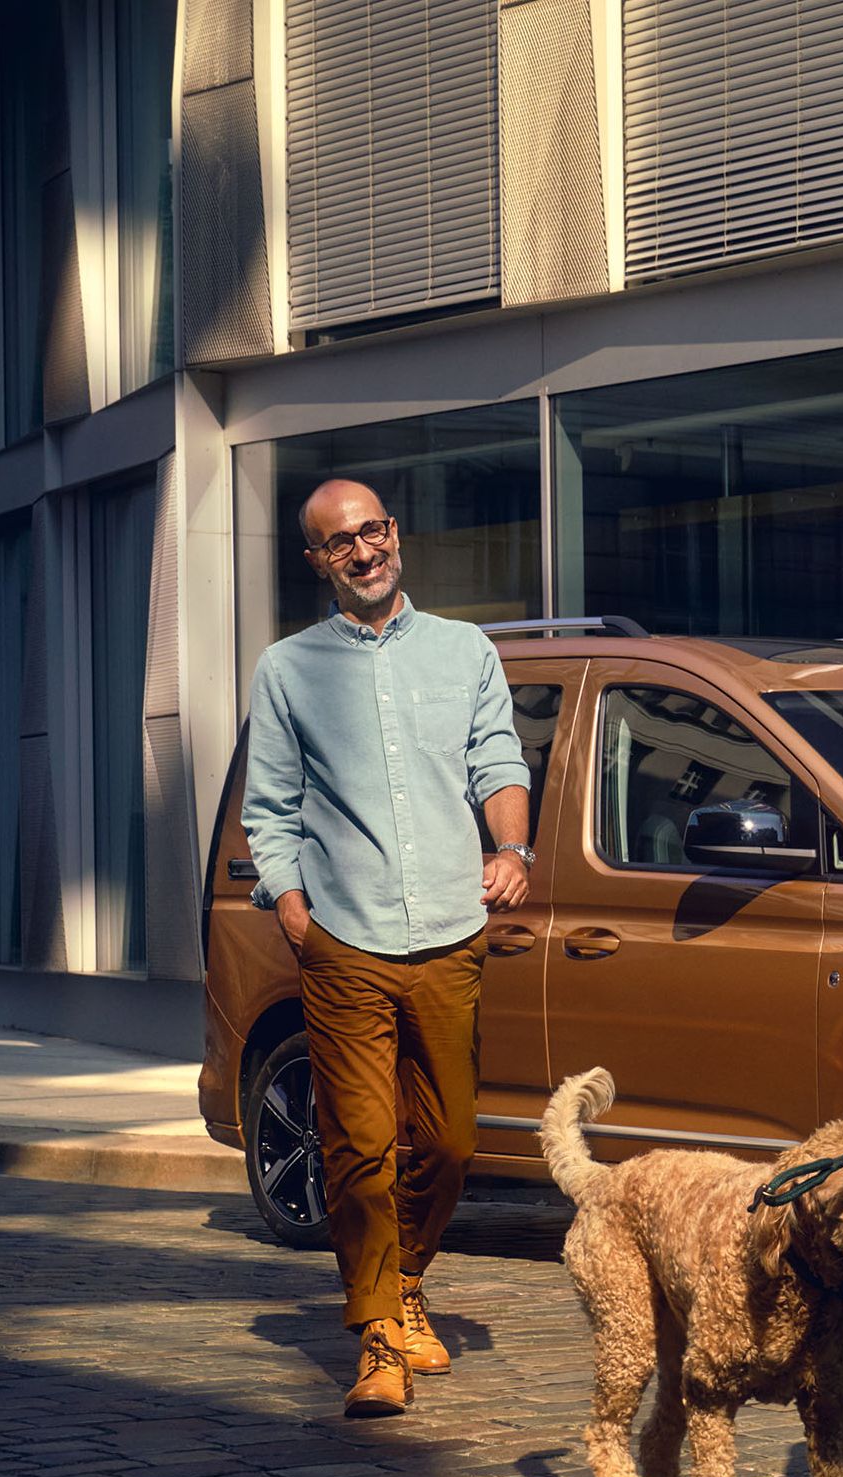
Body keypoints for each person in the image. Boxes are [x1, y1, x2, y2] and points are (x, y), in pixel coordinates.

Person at [243, 480, 534, 1418]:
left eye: (372, 532)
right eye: (340, 543)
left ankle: (407, 1276)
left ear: (395, 534)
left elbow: (498, 759)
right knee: (358, 1144)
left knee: (447, 1140)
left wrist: (513, 849)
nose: (363, 552)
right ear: (317, 562)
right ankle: (376, 1335)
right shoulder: (287, 669)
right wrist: (293, 909)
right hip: (344, 935)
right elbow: (271, 808)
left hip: (450, 929)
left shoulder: (465, 650)